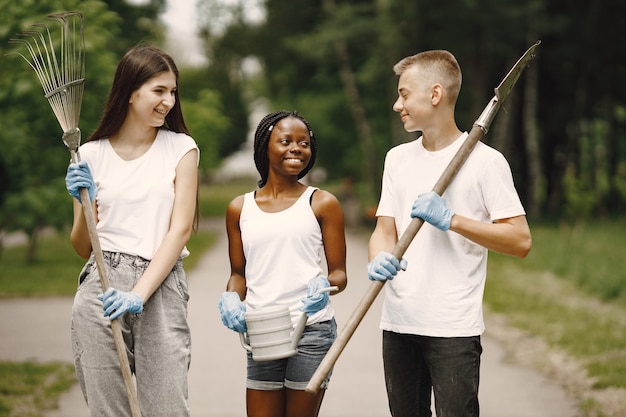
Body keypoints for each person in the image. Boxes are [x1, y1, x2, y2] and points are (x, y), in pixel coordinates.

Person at [367, 50, 532, 416]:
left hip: (453, 327)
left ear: (435, 94)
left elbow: (520, 241)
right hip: (398, 321)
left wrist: (453, 220)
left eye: (405, 94)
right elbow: (383, 230)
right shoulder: (396, 159)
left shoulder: (486, 163)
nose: (398, 105)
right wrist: (378, 255)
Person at [64, 46, 199, 417]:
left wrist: (138, 294)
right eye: (159, 91)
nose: (169, 101)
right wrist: (82, 203)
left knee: (168, 409)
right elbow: (81, 246)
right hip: (101, 285)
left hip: (161, 284)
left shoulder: (181, 148)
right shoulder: (89, 155)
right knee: (110, 412)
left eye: (173, 92)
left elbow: (180, 230)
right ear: (131, 89)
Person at [218, 110, 348, 417]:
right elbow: (238, 273)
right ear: (265, 146)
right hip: (263, 330)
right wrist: (231, 299)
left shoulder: (322, 203)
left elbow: (339, 273)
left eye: (304, 143)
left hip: (311, 329)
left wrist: (326, 286)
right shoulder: (239, 208)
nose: (297, 148)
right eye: (286, 141)